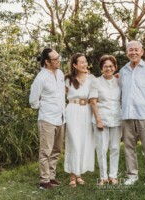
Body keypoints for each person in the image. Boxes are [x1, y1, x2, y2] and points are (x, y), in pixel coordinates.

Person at [119, 40, 145, 186]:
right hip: (127, 114)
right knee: (129, 147)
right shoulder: (123, 71)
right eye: (131, 50)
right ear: (127, 52)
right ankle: (132, 175)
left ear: (141, 52)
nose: (133, 52)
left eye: (136, 50)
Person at [29, 48, 65, 190]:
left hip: (61, 118)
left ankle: (51, 176)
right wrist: (44, 107)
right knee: (46, 151)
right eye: (56, 59)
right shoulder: (41, 78)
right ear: (47, 62)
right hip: (47, 119)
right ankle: (44, 181)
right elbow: (33, 101)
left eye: (58, 58)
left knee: (56, 150)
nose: (59, 61)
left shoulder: (60, 73)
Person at [89, 55, 121, 186]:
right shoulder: (96, 81)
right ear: (101, 68)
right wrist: (98, 120)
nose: (108, 68)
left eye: (110, 66)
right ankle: (103, 176)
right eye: (105, 66)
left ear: (115, 67)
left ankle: (113, 175)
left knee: (115, 148)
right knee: (102, 148)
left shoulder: (119, 81)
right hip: (101, 118)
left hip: (117, 118)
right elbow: (93, 102)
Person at [64, 53, 95, 187]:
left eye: (85, 61)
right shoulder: (68, 79)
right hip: (72, 109)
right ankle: (72, 175)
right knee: (74, 142)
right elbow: (59, 95)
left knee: (84, 142)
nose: (84, 64)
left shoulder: (91, 78)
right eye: (81, 62)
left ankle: (79, 174)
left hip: (86, 111)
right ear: (74, 65)